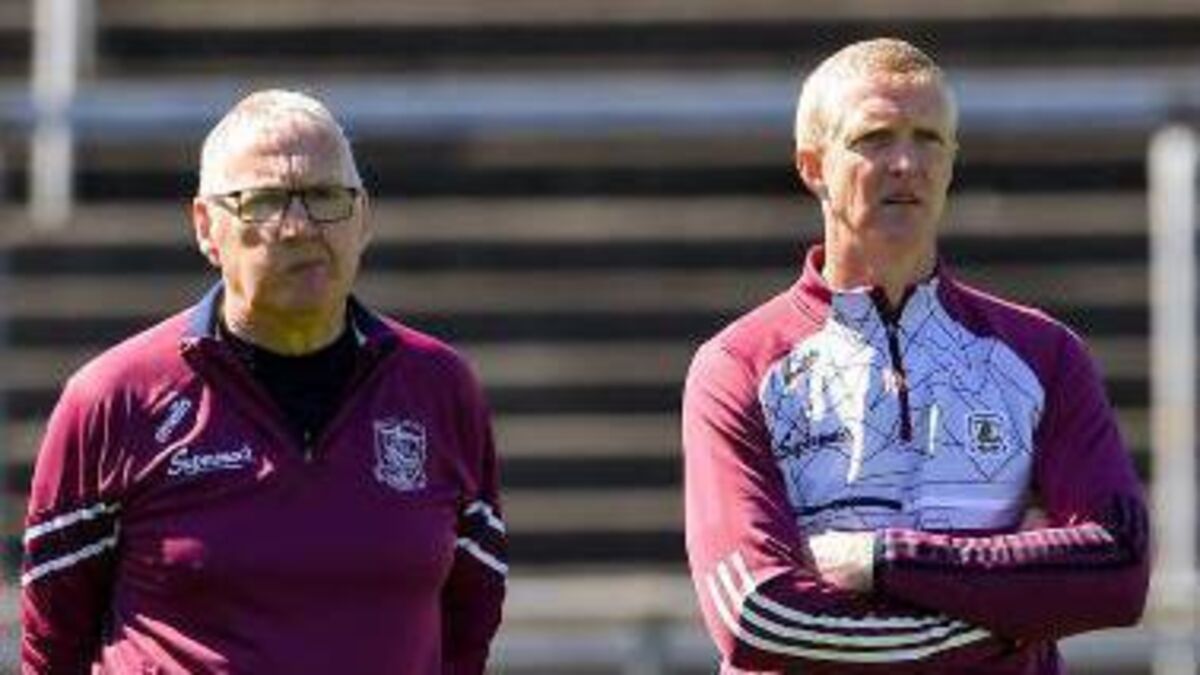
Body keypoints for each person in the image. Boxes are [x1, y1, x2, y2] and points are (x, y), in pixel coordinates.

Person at [682, 38, 1148, 674]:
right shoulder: (738, 364)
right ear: (813, 167)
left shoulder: (1046, 354)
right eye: (874, 138)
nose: (905, 162)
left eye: (928, 139)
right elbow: (756, 617)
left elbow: (1119, 569)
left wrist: (880, 560)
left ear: (952, 163)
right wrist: (1008, 624)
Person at [21, 90, 506, 674]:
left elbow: (470, 623)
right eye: (266, 201)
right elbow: (53, 647)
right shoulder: (114, 399)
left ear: (364, 219)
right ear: (206, 227)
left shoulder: (439, 389)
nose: (300, 226)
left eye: (325, 197)